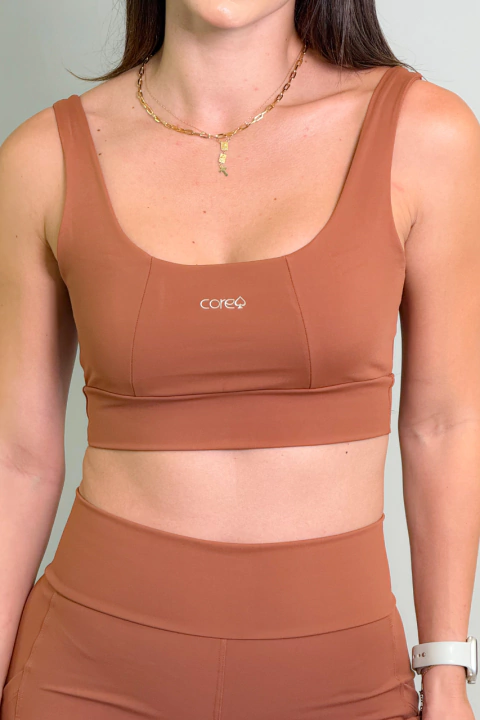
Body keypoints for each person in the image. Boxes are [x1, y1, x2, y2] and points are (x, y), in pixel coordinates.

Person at [1, 1, 479, 718]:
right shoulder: (42, 157)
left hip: (341, 680)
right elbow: (17, 459)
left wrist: (446, 669)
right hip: (85, 675)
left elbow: (444, 424)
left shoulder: (426, 134)